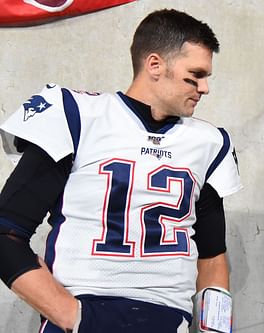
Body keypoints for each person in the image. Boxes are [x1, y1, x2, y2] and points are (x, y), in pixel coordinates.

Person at [0, 8, 241, 333]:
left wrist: (216, 330)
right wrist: (73, 315)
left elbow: (212, 258)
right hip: (83, 313)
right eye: (194, 75)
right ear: (154, 65)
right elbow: (6, 234)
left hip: (168, 322)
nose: (205, 87)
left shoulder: (209, 142)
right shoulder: (78, 117)